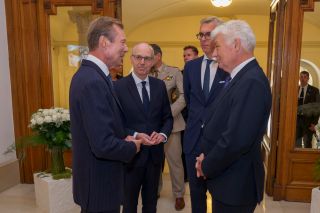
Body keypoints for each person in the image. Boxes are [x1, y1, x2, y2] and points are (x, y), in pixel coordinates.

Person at [195, 20, 272, 213]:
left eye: (218, 47)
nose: (213, 54)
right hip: (228, 181)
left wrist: (206, 165)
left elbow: (236, 140)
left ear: (236, 45)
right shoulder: (241, 77)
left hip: (236, 185)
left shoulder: (251, 82)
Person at [69, 17, 143, 213]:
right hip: (99, 185)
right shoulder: (93, 81)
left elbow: (108, 125)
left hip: (98, 182)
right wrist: (132, 147)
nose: (126, 48)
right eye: (123, 42)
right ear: (104, 42)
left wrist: (133, 135)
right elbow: (102, 144)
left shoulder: (94, 76)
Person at [114, 42, 173, 213]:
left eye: (147, 58)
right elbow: (116, 123)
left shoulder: (159, 86)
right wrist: (135, 134)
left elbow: (167, 118)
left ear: (153, 60)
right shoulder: (118, 87)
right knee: (129, 205)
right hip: (131, 156)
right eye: (138, 57)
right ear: (131, 59)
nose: (142, 62)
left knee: (151, 204)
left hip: (154, 158)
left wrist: (162, 135)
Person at [183, 16, 229, 213]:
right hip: (193, 141)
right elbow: (191, 101)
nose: (202, 38)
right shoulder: (191, 67)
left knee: (220, 195)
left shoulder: (228, 67)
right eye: (200, 34)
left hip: (219, 144)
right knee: (196, 194)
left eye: (207, 34)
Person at [149, 43, 186, 210]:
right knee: (154, 162)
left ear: (158, 56)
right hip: (150, 127)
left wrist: (168, 113)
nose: (145, 60)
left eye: (149, 56)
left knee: (175, 162)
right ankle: (154, 191)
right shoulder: (143, 73)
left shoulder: (174, 72)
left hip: (172, 124)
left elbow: (184, 96)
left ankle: (179, 195)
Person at [181, 45, 199, 182]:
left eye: (189, 55)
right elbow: (184, 96)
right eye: (184, 55)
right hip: (184, 117)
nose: (186, 57)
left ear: (196, 56)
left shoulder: (204, 72)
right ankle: (187, 175)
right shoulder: (181, 73)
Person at [296, 70, 320, 148]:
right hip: (296, 122)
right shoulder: (294, 89)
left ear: (308, 78)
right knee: (296, 145)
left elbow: (317, 107)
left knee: (307, 144)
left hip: (308, 123)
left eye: (305, 77)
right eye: (301, 77)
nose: (302, 79)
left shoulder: (314, 90)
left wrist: (314, 123)